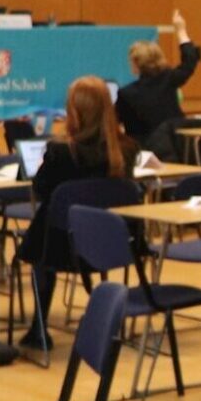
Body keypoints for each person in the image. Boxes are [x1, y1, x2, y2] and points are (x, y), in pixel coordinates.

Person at [18, 75, 129, 351]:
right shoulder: (125, 150)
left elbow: (40, 189)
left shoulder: (60, 151)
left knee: (44, 225)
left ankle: (39, 326)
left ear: (73, 112)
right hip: (112, 245)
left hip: (61, 248)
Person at [114, 10, 200, 159]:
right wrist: (181, 31)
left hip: (144, 156)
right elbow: (190, 61)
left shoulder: (127, 93)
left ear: (135, 64)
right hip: (178, 152)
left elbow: (113, 122)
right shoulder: (170, 79)